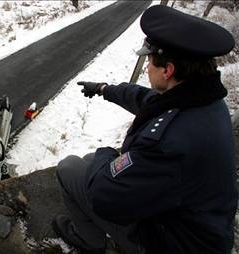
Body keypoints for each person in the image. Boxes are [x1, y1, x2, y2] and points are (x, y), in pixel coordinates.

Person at [53, 5, 237, 254]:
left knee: (70, 167)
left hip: (171, 243)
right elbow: (148, 100)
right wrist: (105, 89)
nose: (147, 65)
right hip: (198, 227)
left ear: (168, 70)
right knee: (91, 165)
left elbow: (106, 197)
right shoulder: (205, 101)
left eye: (150, 59)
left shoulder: (169, 144)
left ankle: (90, 242)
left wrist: (106, 154)